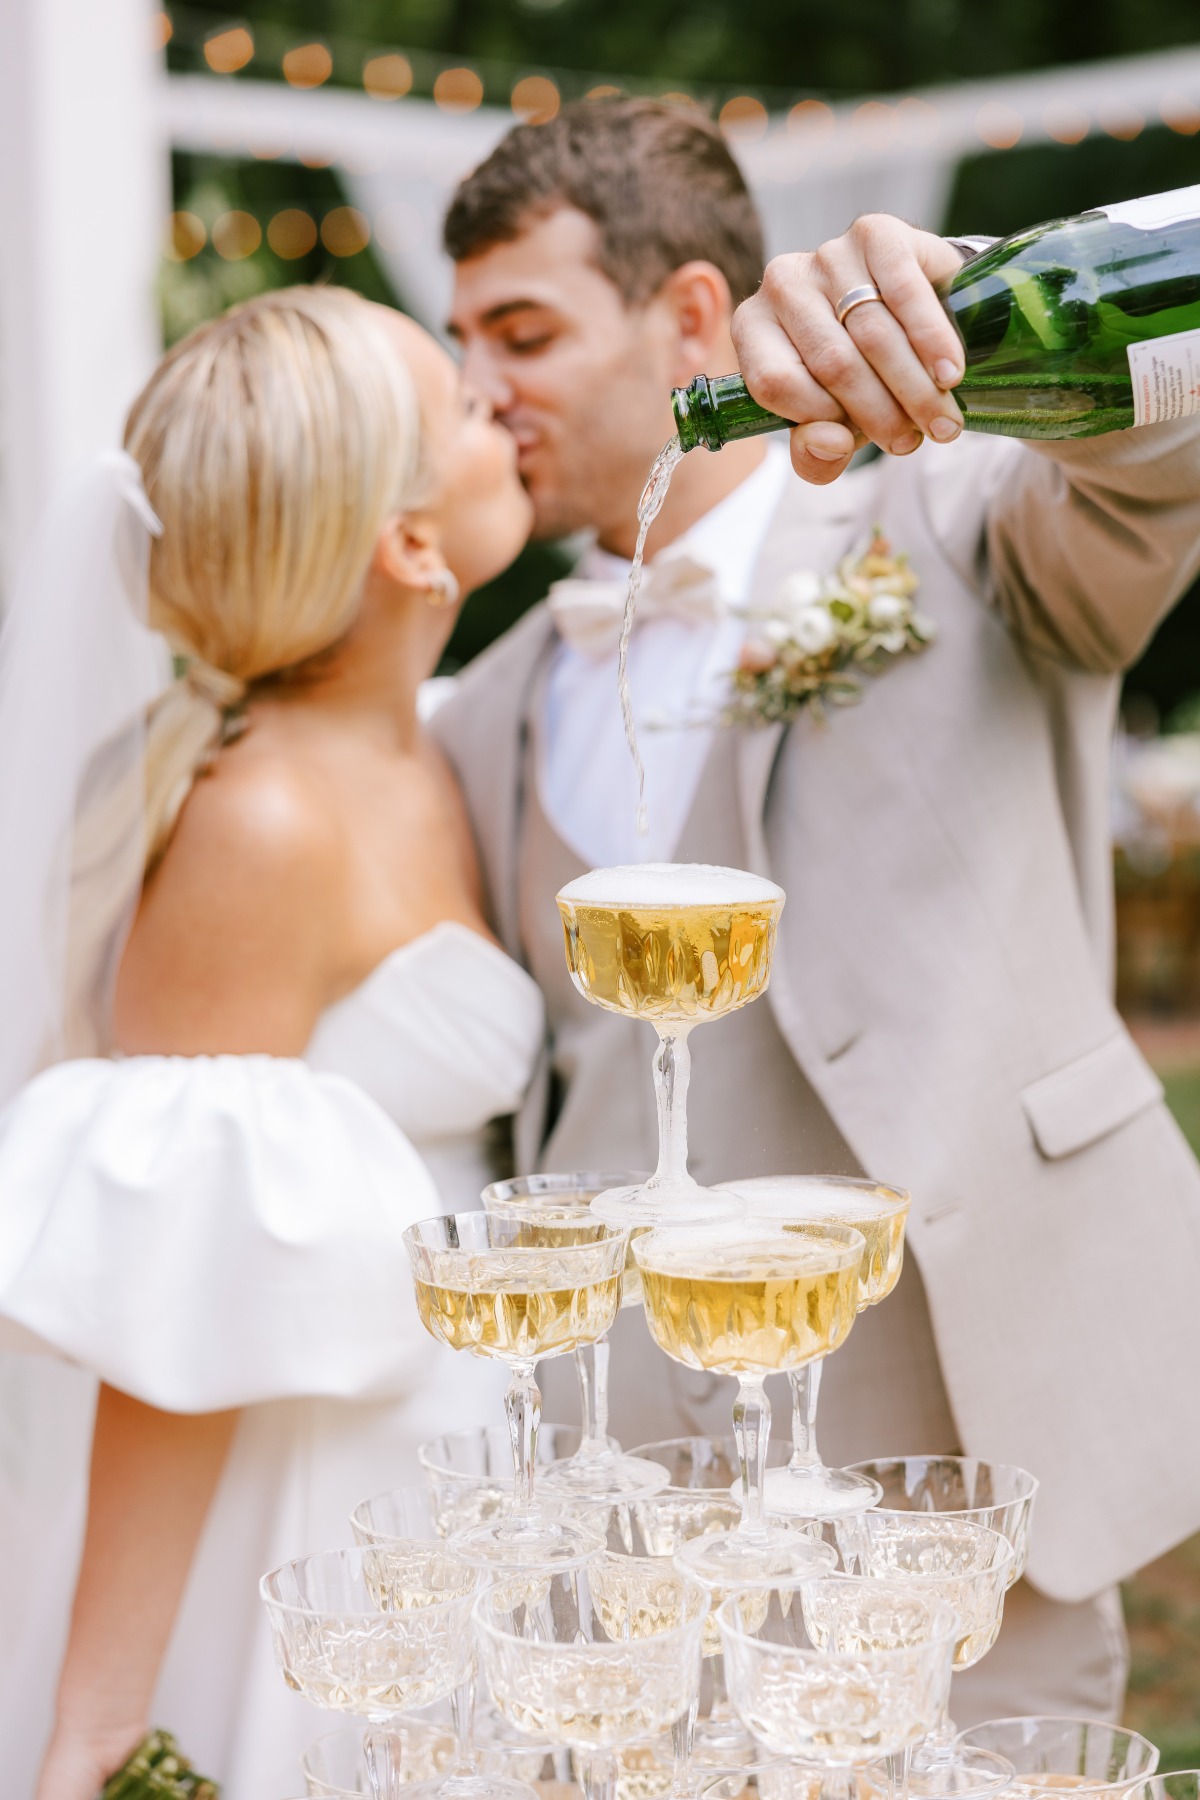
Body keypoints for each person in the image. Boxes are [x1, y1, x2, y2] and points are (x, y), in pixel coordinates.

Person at [435, 96, 1200, 1720]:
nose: (480, 390)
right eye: (461, 342)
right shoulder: (493, 701)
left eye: (523, 329)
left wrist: (971, 295)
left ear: (692, 319)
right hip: (644, 1466)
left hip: (961, 1404)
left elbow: (1161, 469)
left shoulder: (953, 508)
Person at [0, 286, 541, 1798]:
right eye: (463, 406)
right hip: (316, 1504)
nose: (503, 408)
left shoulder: (428, 735)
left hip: (467, 1449)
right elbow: (172, 1313)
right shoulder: (263, 825)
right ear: (410, 545)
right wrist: (94, 1728)